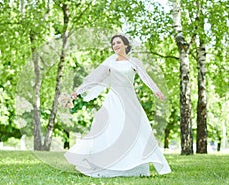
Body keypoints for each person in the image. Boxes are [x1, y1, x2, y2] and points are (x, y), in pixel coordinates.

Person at [65, 35, 171, 177]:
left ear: (126, 45)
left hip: (130, 100)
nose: (115, 45)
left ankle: (134, 167)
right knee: (108, 129)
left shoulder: (134, 62)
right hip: (113, 100)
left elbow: (145, 77)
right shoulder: (110, 63)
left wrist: (156, 90)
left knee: (134, 130)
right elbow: (95, 79)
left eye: (118, 42)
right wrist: (78, 91)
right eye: (113, 43)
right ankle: (105, 164)